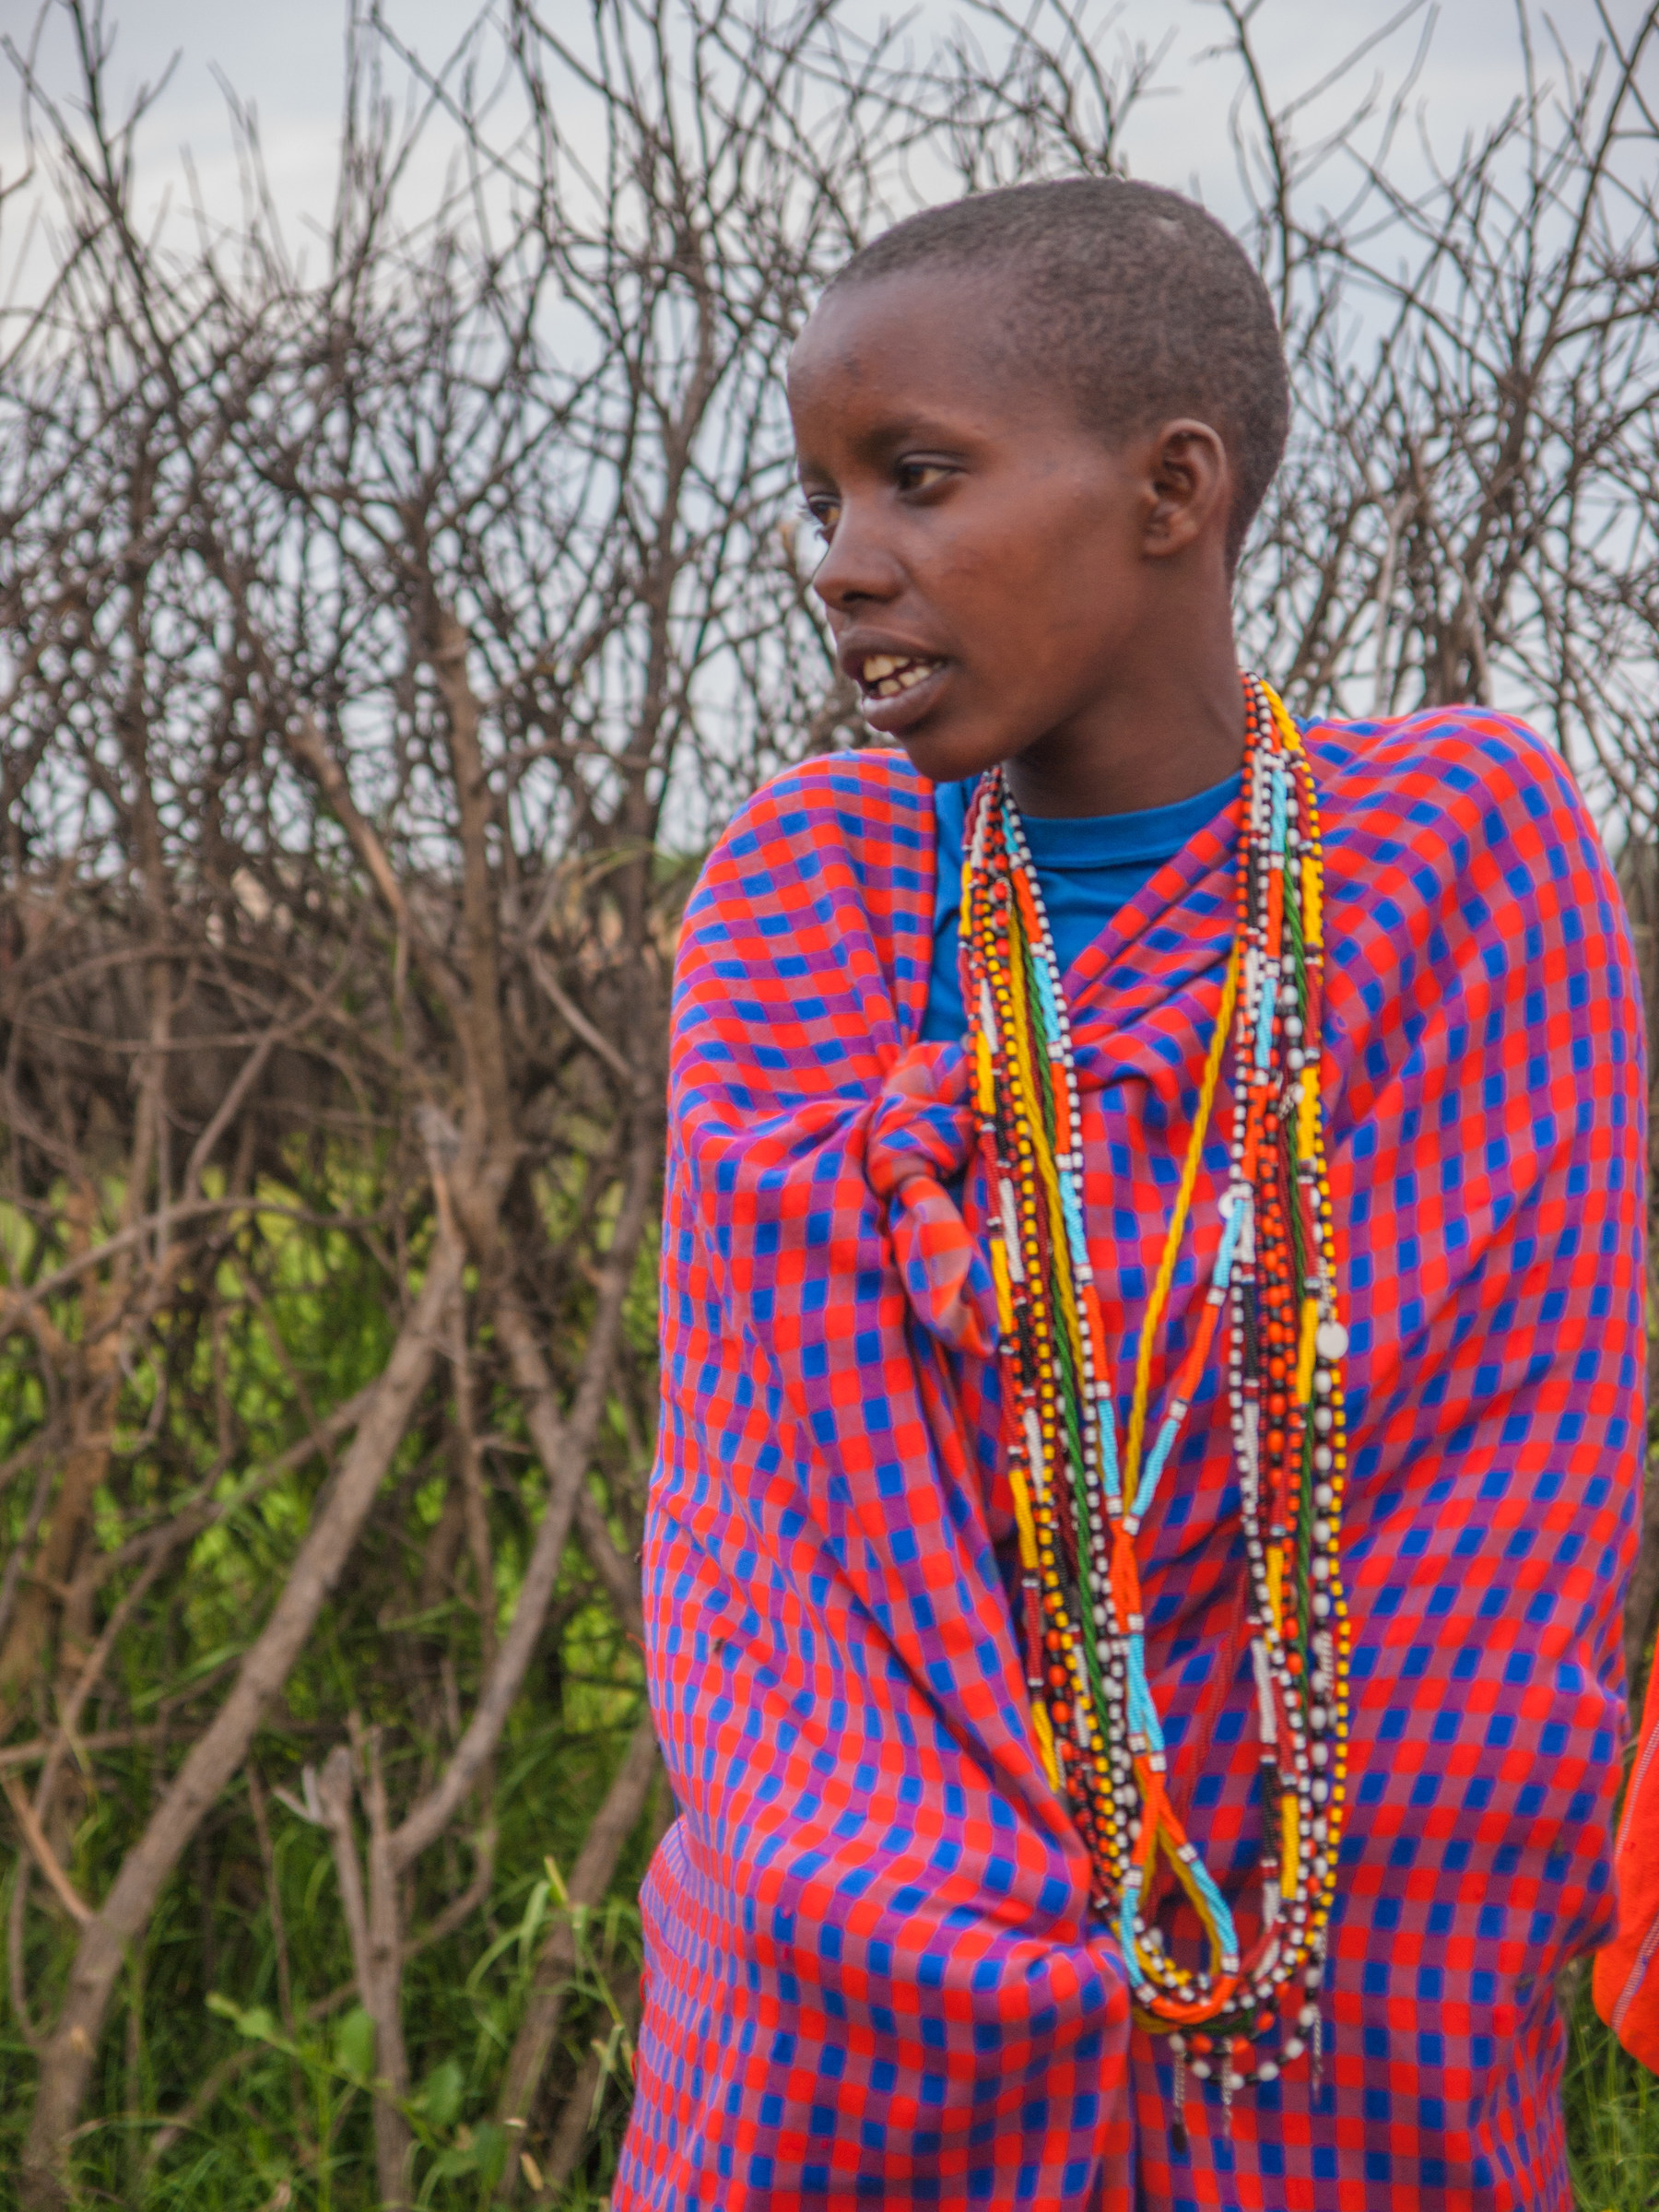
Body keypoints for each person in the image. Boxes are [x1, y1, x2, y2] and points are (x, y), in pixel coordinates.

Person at [614, 179, 1644, 2209]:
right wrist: (927, 1925)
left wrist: (1378, 1865)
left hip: (1367, 1970)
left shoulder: (1462, 865)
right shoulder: (805, 896)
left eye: (918, 479)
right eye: (823, 501)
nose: (845, 564)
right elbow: (768, 1525)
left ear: (1173, 489)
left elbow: (1520, 1484)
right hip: (857, 2010)